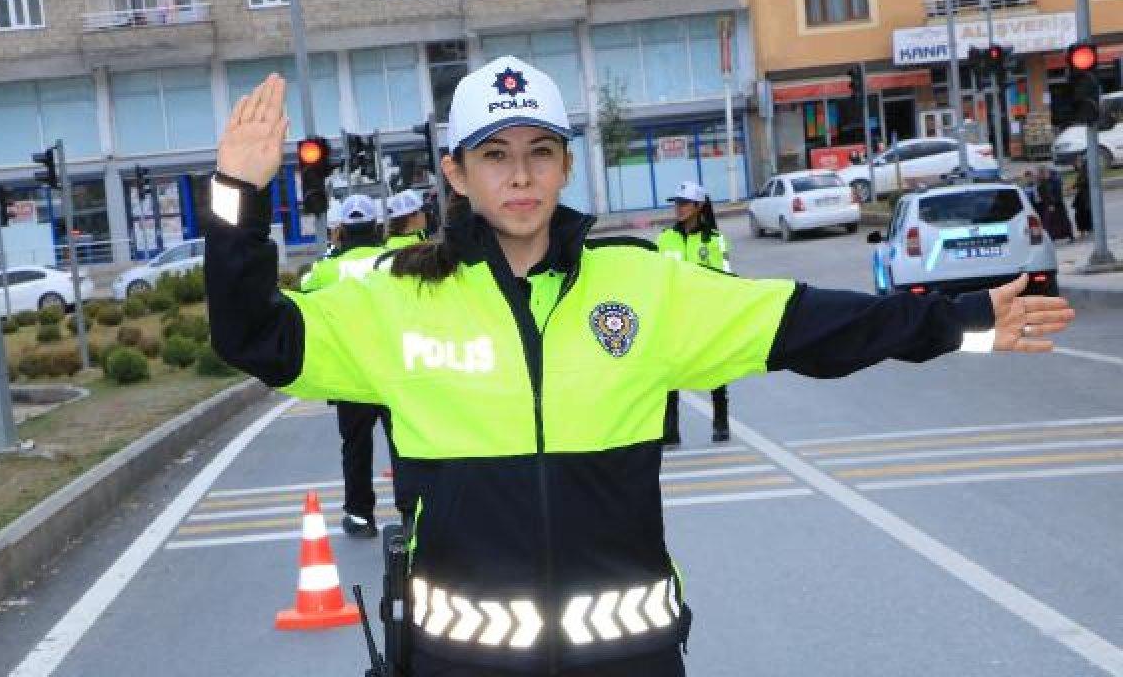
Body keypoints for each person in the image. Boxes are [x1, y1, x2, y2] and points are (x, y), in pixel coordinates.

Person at [206, 58, 1073, 677]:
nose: (520, 176)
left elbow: (804, 323)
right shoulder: (398, 300)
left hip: (629, 657)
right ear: (456, 173)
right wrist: (237, 194)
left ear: (565, 165)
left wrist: (960, 321)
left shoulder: (641, 285)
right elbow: (255, 337)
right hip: (459, 661)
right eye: (495, 155)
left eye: (538, 152)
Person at [297, 193, 396, 539]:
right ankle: (413, 510)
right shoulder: (393, 260)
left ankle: (360, 516)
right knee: (405, 444)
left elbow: (304, 296)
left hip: (351, 374)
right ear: (376, 227)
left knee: (355, 446)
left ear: (341, 230)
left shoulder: (327, 269)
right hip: (395, 373)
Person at [657, 181, 732, 444]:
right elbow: (657, 275)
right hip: (674, 314)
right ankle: (670, 430)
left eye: (684, 203)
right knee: (670, 372)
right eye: (676, 203)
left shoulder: (714, 239)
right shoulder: (666, 238)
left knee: (716, 369)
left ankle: (721, 423)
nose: (678, 208)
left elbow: (724, 276)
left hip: (706, 314)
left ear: (699, 207)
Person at [1036, 165, 1075, 243]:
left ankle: (1069, 236)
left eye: (1041, 173)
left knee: (1061, 221)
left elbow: (1056, 193)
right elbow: (1043, 192)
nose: (1039, 175)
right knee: (1050, 222)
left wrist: (1052, 203)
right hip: (1049, 204)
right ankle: (1052, 237)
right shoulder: (1044, 181)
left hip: (1056, 205)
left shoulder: (1054, 180)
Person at [1072, 154, 1093, 239]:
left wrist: (1074, 185)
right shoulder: (1081, 170)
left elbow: (1085, 181)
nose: (1076, 163)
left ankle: (1087, 230)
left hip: (1085, 196)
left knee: (1084, 213)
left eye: (1078, 161)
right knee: (1080, 213)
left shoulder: (1086, 170)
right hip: (1081, 195)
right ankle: (1083, 230)